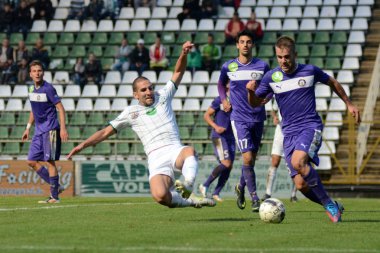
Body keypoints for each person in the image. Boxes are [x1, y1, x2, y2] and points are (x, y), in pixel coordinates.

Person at [67, 41, 216, 209]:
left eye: (150, 88)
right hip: (155, 158)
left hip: (174, 149)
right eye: (143, 90)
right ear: (135, 94)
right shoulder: (130, 113)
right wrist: (82, 145)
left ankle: (188, 184)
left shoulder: (163, 96)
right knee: (160, 196)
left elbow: (178, 72)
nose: (148, 92)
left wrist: (183, 53)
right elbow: (105, 132)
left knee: (189, 151)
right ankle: (190, 201)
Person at [246, 35, 361, 223]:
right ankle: (331, 203)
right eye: (280, 57)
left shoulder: (309, 71)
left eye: (287, 57)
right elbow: (256, 103)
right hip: (288, 133)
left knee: (299, 162)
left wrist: (349, 104)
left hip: (309, 126)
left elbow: (332, 81)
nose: (283, 61)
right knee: (300, 184)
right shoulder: (271, 77)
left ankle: (330, 207)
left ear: (295, 54)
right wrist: (250, 92)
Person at [218, 30, 270, 212]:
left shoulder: (262, 66)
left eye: (249, 42)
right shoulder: (229, 66)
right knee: (247, 157)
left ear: (252, 45)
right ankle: (255, 198)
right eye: (242, 42)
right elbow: (220, 85)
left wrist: (268, 97)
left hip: (258, 117)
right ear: (237, 45)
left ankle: (240, 187)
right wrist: (224, 100)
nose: (245, 45)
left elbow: (271, 84)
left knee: (251, 160)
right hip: (239, 118)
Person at [21, 60, 69, 204]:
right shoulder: (31, 90)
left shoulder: (48, 88)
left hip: (50, 129)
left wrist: (63, 128)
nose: (37, 73)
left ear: (43, 72)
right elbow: (33, 110)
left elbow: (61, 108)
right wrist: (28, 127)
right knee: (31, 161)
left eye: (39, 70)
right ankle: (57, 187)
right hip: (38, 131)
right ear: (30, 74)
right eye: (34, 71)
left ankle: (54, 197)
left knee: (49, 161)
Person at [199, 82, 235, 202]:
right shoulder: (219, 100)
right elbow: (206, 115)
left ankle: (216, 193)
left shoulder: (238, 99)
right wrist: (216, 126)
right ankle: (205, 185)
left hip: (231, 137)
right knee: (226, 163)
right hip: (219, 136)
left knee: (228, 167)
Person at [262, 104, 298, 202]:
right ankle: (268, 193)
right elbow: (272, 106)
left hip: (294, 131)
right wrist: (274, 116)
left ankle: (293, 195)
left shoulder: (297, 92)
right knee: (275, 161)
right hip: (280, 131)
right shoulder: (279, 90)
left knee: (295, 163)